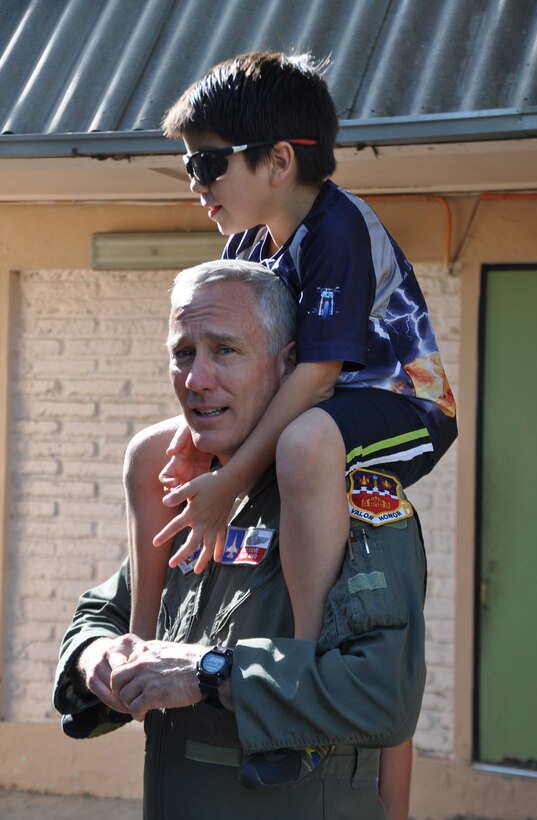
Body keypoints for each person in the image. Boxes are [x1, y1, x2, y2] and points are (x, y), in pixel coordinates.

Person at [128, 51, 456, 799]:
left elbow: (314, 375)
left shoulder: (336, 225)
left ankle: (296, 683)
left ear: (278, 161)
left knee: (308, 444)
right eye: (188, 169)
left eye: (207, 165)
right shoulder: (247, 247)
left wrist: (226, 484)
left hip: (402, 405)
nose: (195, 185)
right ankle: (139, 640)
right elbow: (256, 360)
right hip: (324, 409)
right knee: (150, 448)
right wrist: (192, 442)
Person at [54, 260, 428, 820]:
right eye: (183, 353)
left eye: (225, 351)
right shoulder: (193, 491)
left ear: (289, 366)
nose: (196, 379)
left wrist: (209, 674)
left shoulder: (343, 496)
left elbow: (381, 691)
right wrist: (98, 656)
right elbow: (104, 612)